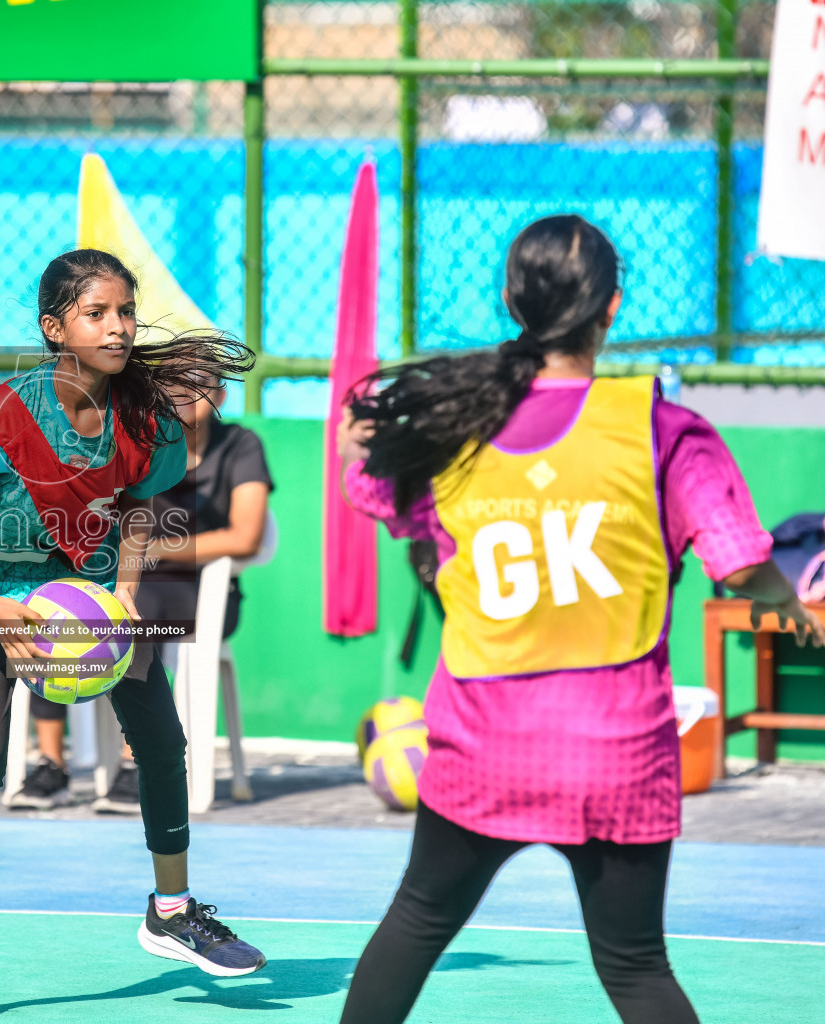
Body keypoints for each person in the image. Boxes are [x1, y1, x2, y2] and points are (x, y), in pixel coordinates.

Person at [335, 214, 825, 1024]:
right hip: (616, 754)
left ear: (510, 301)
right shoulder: (662, 430)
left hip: (480, 744)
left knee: (417, 924)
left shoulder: (456, 429)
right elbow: (739, 564)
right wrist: (786, 603)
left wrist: (366, 447)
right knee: (636, 968)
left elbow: (372, 490)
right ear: (614, 307)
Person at [0, 248, 267, 1022]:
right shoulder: (3, 415)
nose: (118, 326)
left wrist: (126, 596)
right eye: (97, 313)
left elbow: (136, 507)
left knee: (162, 737)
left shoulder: (144, 417)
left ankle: (171, 913)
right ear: (55, 327)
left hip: (88, 596)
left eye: (126, 312)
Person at [10, 370, 274, 814]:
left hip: (205, 590)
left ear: (220, 394)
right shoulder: (134, 439)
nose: (185, 394)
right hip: (127, 577)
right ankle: (51, 763)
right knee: (55, 605)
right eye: (173, 383)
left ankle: (136, 762)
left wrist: (159, 549)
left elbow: (245, 537)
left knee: (134, 608)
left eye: (199, 383)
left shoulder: (241, 445)